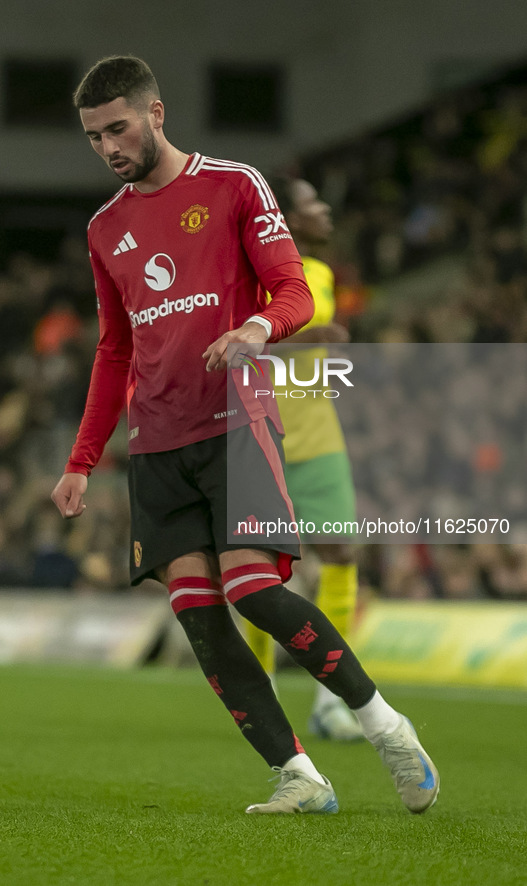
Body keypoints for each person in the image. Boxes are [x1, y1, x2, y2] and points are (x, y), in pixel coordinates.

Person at [51, 55, 439, 815]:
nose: (107, 148)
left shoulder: (232, 185)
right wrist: (81, 460)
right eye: (94, 137)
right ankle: (298, 774)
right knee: (196, 611)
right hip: (157, 441)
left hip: (235, 419)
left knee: (254, 590)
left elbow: (293, 288)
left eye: (118, 129)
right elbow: (114, 349)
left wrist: (259, 326)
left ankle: (384, 726)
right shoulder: (104, 230)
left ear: (155, 114)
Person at [243, 175, 364, 742]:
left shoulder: (322, 272)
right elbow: (246, 339)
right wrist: (318, 332)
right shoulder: (251, 272)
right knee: (260, 565)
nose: (326, 210)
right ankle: (259, 684)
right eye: (313, 203)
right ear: (284, 218)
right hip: (263, 432)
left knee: (340, 553)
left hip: (317, 435)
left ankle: (330, 700)